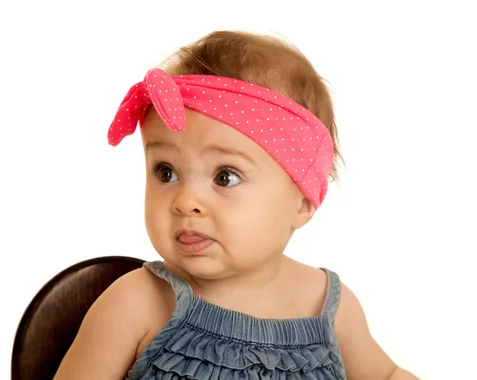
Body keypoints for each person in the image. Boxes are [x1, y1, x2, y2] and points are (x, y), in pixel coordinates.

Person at [54, 30, 419, 380]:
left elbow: (385, 375)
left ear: (304, 202)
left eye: (225, 177)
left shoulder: (328, 307)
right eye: (166, 173)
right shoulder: (136, 304)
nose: (186, 202)